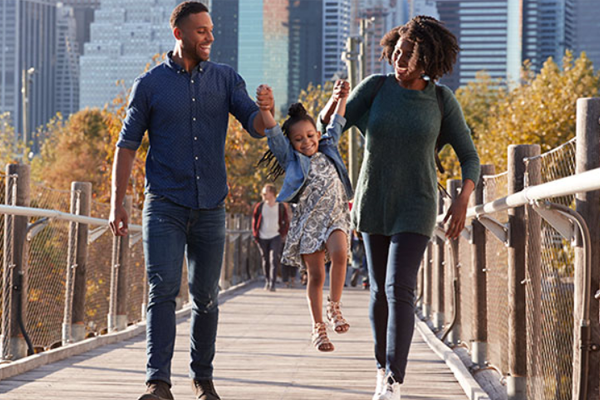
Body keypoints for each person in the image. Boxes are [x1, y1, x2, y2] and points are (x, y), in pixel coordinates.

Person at [108, 2, 275, 400]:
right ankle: (158, 383)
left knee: (206, 297)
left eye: (211, 30)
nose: (210, 37)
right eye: (201, 31)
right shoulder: (149, 85)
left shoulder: (226, 79)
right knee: (162, 290)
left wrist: (266, 111)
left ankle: (203, 379)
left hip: (210, 206)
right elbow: (126, 146)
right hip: (164, 203)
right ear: (179, 33)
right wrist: (118, 202)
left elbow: (253, 125)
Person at [319, 16, 480, 400]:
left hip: (417, 205)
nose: (398, 57)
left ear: (427, 58)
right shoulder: (375, 89)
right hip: (374, 201)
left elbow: (469, 157)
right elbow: (331, 128)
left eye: (409, 53)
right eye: (397, 49)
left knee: (399, 288)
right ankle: (380, 370)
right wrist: (334, 103)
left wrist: (462, 199)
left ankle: (394, 380)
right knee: (378, 292)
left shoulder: (441, 100)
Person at [256, 81, 353, 352]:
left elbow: (337, 121)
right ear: (292, 143)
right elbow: (274, 132)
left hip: (334, 216)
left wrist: (341, 97)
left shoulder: (328, 145)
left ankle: (335, 307)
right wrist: (265, 109)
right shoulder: (291, 159)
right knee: (316, 275)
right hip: (309, 221)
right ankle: (318, 328)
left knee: (340, 254)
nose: (307, 142)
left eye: (311, 135)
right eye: (299, 139)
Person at [252, 183, 289, 291]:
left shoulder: (280, 206)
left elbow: (286, 221)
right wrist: (255, 235)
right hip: (262, 236)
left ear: (272, 193)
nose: (263, 194)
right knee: (265, 259)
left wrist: (282, 233)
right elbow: (255, 221)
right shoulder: (260, 206)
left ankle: (272, 284)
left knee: (273, 259)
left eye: (265, 192)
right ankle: (267, 280)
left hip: (275, 236)